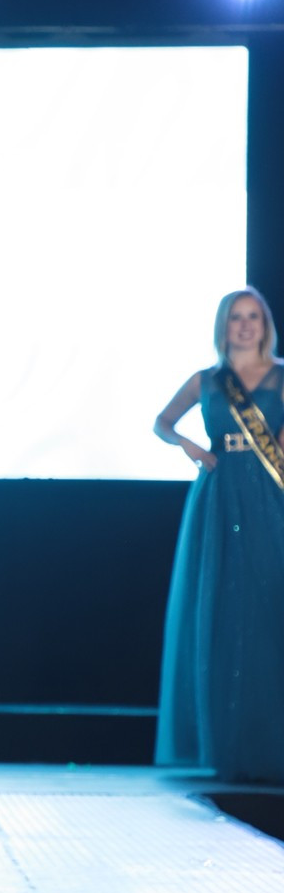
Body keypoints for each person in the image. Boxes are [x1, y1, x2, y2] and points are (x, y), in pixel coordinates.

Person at [153, 285, 284, 783]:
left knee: (268, 608)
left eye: (253, 316)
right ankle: (226, 741)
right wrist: (189, 446)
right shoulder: (206, 380)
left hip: (270, 497)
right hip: (218, 493)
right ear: (223, 325)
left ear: (264, 324)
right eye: (236, 317)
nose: (245, 325)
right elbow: (162, 423)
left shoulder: (280, 376)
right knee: (223, 607)